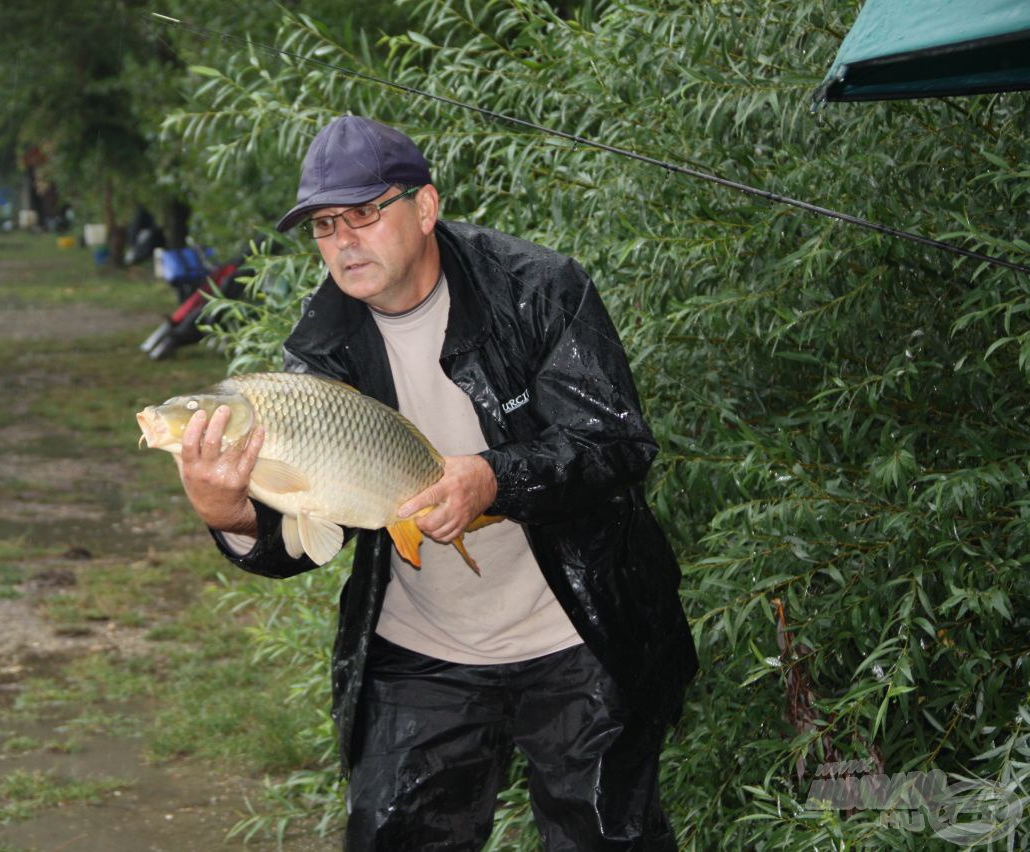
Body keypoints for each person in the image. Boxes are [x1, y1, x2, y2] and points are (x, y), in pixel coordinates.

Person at [175, 115, 698, 850]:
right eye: (325, 225)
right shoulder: (319, 349)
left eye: (364, 213)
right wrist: (228, 514)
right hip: (421, 647)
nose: (343, 240)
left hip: (576, 631)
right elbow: (305, 534)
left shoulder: (538, 289)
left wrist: (492, 479)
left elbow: (614, 443)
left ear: (425, 207)